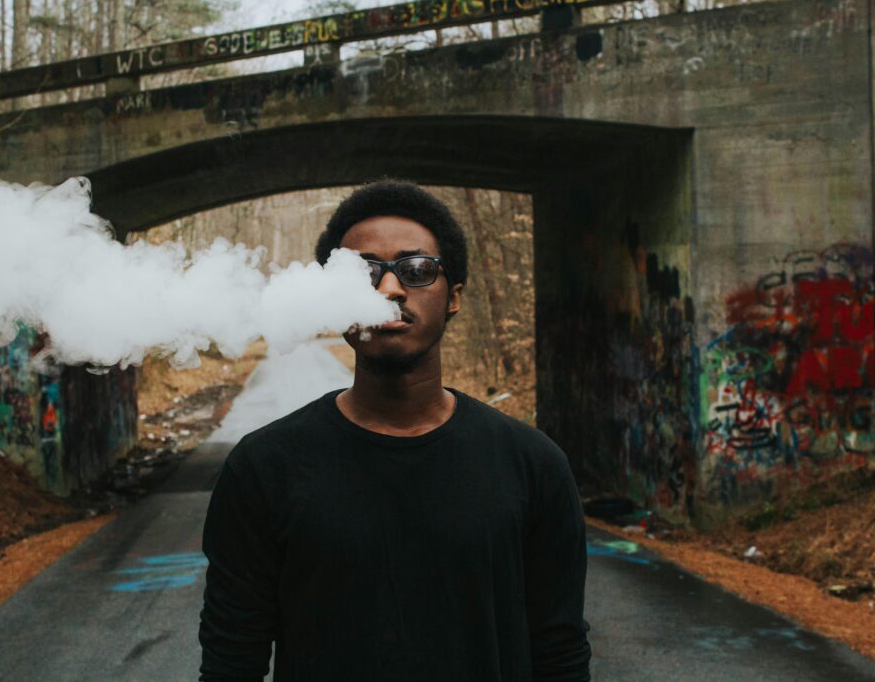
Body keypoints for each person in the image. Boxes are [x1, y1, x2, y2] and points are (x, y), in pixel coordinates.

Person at [199, 180, 591, 681]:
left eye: (417, 270)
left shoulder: (534, 466)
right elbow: (232, 659)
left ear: (453, 297)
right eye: (364, 273)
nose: (390, 289)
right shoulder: (263, 469)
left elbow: (559, 653)